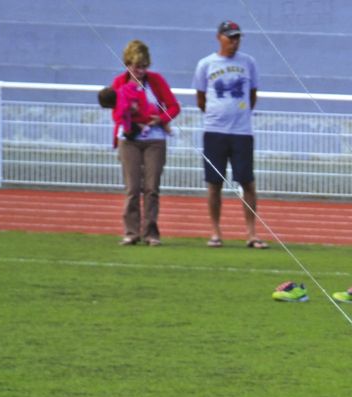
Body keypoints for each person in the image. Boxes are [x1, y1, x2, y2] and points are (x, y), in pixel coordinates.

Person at [192, 20, 265, 249]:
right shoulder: (206, 64)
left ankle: (251, 233)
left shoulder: (248, 63)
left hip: (242, 131)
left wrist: (239, 114)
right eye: (230, 37)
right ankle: (215, 232)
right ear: (219, 37)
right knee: (214, 183)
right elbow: (201, 99)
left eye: (237, 38)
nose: (234, 42)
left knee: (247, 181)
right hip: (215, 131)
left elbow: (251, 94)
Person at [109, 40, 179, 247]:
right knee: (132, 188)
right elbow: (116, 114)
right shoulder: (119, 83)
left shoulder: (155, 81)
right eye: (136, 66)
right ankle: (131, 232)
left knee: (151, 188)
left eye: (144, 66)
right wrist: (131, 118)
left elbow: (173, 106)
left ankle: (151, 233)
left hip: (155, 139)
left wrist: (161, 119)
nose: (140, 70)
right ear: (127, 64)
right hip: (129, 140)